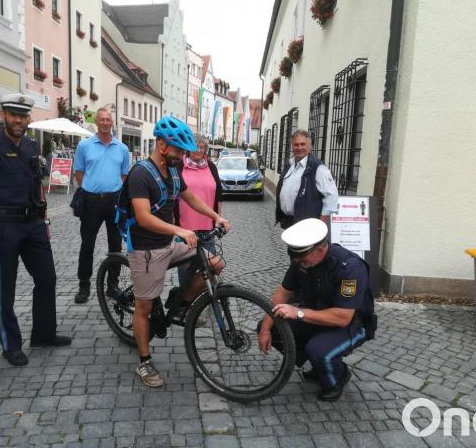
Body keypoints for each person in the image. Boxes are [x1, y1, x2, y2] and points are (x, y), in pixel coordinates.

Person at [125, 116, 231, 388]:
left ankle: (180, 302)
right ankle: (144, 362)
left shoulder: (173, 171)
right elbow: (144, 217)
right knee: (144, 306)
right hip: (147, 248)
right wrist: (179, 231)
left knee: (215, 264)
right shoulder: (140, 174)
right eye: (179, 150)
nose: (182, 155)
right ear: (161, 144)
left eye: (185, 151)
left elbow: (191, 198)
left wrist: (215, 217)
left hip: (169, 244)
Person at [0, 94, 70, 367]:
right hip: (4, 227)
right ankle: (10, 345)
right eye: (13, 114)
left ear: (28, 119)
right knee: (6, 287)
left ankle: (44, 334)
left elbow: (37, 184)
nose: (18, 120)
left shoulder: (31, 146)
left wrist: (44, 219)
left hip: (34, 225)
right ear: (3, 115)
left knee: (47, 278)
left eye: (23, 115)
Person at [257, 218, 376, 401]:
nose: (297, 262)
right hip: (316, 317)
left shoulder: (350, 267)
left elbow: (343, 317)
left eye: (302, 258)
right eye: (294, 258)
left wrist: (299, 313)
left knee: (318, 351)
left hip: (352, 324)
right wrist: (265, 329)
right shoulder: (301, 262)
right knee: (272, 328)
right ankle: (319, 362)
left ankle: (338, 376)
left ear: (320, 250)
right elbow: (281, 295)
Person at [72, 107, 131, 303]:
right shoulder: (85, 146)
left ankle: (112, 286)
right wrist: (90, 189)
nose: (105, 123)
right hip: (91, 201)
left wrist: (114, 191)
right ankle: (84, 285)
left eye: (108, 120)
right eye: (102, 120)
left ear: (112, 122)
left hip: (114, 201)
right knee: (87, 244)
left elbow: (124, 175)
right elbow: (79, 173)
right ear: (96, 122)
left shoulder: (122, 148)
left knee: (115, 246)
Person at [173, 133, 223, 288]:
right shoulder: (179, 166)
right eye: (195, 146)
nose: (198, 150)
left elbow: (219, 196)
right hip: (185, 229)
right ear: (188, 148)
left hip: (208, 229)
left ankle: (206, 299)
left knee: (212, 268)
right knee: (186, 270)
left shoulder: (212, 167)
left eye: (202, 147)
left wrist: (218, 219)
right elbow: (172, 194)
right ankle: (184, 303)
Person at [275, 130, 339, 229]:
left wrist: (321, 223)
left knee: (306, 245)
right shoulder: (290, 164)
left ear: (310, 146)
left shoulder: (318, 168)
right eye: (296, 144)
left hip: (308, 225)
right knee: (292, 245)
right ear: (292, 146)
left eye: (303, 144)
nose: (299, 148)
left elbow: (332, 196)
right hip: (289, 221)